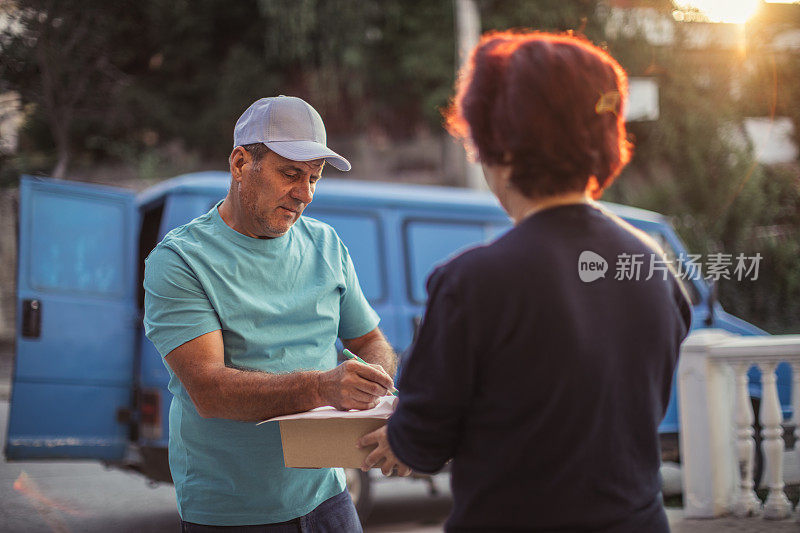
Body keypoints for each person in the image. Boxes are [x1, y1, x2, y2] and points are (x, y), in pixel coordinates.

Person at [359, 31, 692, 532]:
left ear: (502, 146)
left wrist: (397, 438)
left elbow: (421, 443)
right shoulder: (655, 266)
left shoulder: (472, 282)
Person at [143, 95, 397, 531]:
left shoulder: (327, 245)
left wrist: (375, 386)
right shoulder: (180, 260)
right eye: (291, 174)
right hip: (229, 511)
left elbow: (369, 340)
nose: (306, 194)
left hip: (328, 496)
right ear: (241, 163)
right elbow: (210, 390)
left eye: (314, 178)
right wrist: (323, 387)